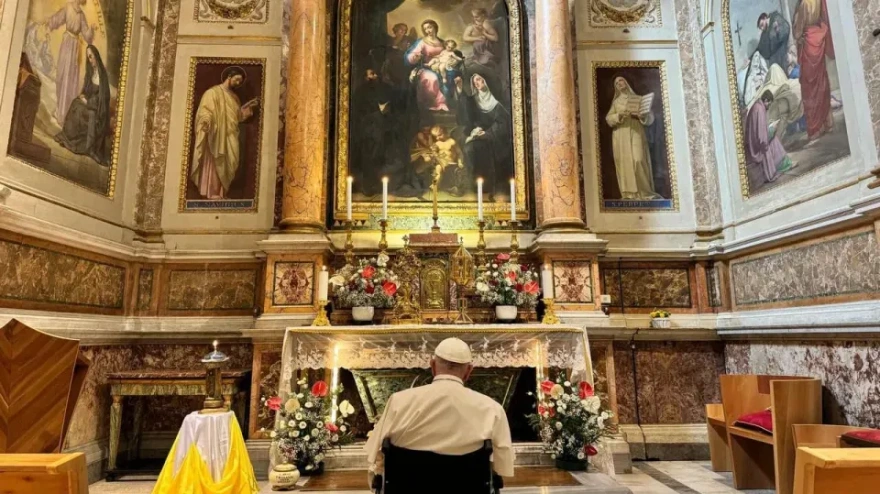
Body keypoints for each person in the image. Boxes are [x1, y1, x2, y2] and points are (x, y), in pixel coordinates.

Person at [364, 337, 515, 488]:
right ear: (468, 371)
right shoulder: (492, 409)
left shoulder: (397, 402)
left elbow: (374, 454)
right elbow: (502, 466)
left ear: (432, 365)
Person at [190, 66, 259, 200]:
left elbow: (237, 117)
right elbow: (205, 110)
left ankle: (223, 192)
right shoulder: (213, 93)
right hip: (217, 134)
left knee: (231, 161)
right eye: (237, 79)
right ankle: (213, 192)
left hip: (231, 134)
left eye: (240, 81)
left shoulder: (234, 97)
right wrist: (205, 121)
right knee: (217, 159)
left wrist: (247, 108)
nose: (238, 83)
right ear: (229, 77)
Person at [456, 74, 512, 201]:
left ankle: (489, 187)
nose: (477, 83)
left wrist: (488, 134)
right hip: (477, 133)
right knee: (468, 147)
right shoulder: (474, 99)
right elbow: (466, 112)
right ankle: (473, 185)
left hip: (494, 137)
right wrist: (460, 89)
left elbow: (503, 124)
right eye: (474, 81)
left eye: (479, 80)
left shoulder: (497, 103)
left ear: (486, 81)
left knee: (480, 150)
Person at [605, 76, 661, 201]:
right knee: (626, 163)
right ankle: (630, 194)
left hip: (636, 130)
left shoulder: (638, 99)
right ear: (616, 87)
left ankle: (645, 192)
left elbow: (650, 118)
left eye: (622, 81)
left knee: (638, 159)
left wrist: (642, 115)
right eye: (617, 82)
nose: (620, 83)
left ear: (626, 82)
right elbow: (609, 119)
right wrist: (619, 115)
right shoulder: (616, 102)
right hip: (621, 134)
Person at [54, 45, 110, 165]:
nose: (90, 60)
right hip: (89, 104)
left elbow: (102, 99)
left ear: (96, 56)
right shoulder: (91, 72)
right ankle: (68, 137)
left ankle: (90, 149)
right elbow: (86, 89)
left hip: (98, 110)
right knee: (75, 103)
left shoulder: (102, 75)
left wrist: (88, 102)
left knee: (87, 113)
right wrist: (83, 96)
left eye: (91, 56)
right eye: (88, 57)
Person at [44, 0, 96, 125]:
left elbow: (87, 37)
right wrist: (48, 26)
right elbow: (57, 19)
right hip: (67, 43)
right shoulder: (68, 8)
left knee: (70, 80)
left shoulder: (81, 15)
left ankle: (64, 114)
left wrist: (92, 29)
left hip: (74, 48)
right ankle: (59, 110)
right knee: (61, 77)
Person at [793, 0, 835, 140]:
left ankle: (816, 129)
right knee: (822, 83)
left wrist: (797, 34)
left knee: (809, 89)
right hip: (818, 39)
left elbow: (798, 32)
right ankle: (827, 123)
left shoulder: (804, 4)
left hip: (808, 44)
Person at [745, 91, 792, 184]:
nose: (769, 106)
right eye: (769, 104)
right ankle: (782, 166)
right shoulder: (759, 109)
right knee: (774, 140)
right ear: (766, 100)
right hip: (756, 145)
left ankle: (784, 163)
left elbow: (759, 128)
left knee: (773, 137)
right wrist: (770, 130)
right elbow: (761, 138)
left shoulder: (757, 106)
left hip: (754, 140)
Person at [405, 20, 449, 112]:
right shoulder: (422, 42)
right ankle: (432, 105)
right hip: (425, 67)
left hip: (441, 66)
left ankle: (445, 104)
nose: (427, 30)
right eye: (425, 29)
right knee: (431, 78)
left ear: (435, 27)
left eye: (429, 27)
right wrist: (415, 57)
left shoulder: (442, 42)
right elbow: (412, 54)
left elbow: (449, 53)